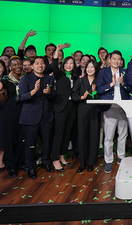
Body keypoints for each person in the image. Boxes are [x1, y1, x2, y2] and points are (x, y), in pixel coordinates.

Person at [19, 57, 56, 179]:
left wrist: (50, 92)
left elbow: (53, 96)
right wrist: (33, 91)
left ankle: (46, 162)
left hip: (46, 116)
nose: (40, 65)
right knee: (30, 143)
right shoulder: (25, 79)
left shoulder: (49, 78)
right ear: (32, 66)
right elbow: (21, 97)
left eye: (42, 63)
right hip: (30, 117)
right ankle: (30, 167)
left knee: (47, 141)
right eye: (37, 63)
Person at [97, 51, 132, 174]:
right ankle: (108, 160)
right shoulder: (103, 72)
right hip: (109, 107)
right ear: (109, 60)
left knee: (123, 134)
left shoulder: (125, 72)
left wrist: (122, 83)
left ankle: (121, 157)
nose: (116, 61)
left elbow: (130, 88)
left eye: (119, 59)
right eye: (114, 59)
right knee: (109, 136)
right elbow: (99, 90)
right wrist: (111, 84)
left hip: (123, 107)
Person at [51, 44, 78, 172]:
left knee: (67, 133)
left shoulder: (75, 76)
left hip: (71, 107)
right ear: (63, 64)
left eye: (72, 63)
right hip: (60, 107)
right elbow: (54, 63)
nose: (69, 65)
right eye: (67, 63)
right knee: (59, 133)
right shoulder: (59, 75)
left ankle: (62, 156)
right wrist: (58, 50)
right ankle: (55, 159)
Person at [73, 59, 102, 172]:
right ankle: (82, 163)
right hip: (82, 110)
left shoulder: (99, 81)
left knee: (94, 136)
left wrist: (94, 93)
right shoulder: (80, 81)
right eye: (88, 67)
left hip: (95, 110)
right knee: (82, 137)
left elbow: (101, 96)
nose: (89, 69)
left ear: (96, 69)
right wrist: (82, 97)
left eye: (92, 67)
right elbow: (74, 95)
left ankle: (91, 162)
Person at [1, 56, 25, 178]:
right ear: (10, 67)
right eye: (14, 65)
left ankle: (21, 163)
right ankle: (11, 166)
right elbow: (3, 99)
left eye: (19, 64)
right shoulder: (5, 80)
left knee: (22, 139)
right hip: (10, 111)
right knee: (10, 140)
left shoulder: (26, 78)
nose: (17, 67)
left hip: (25, 111)